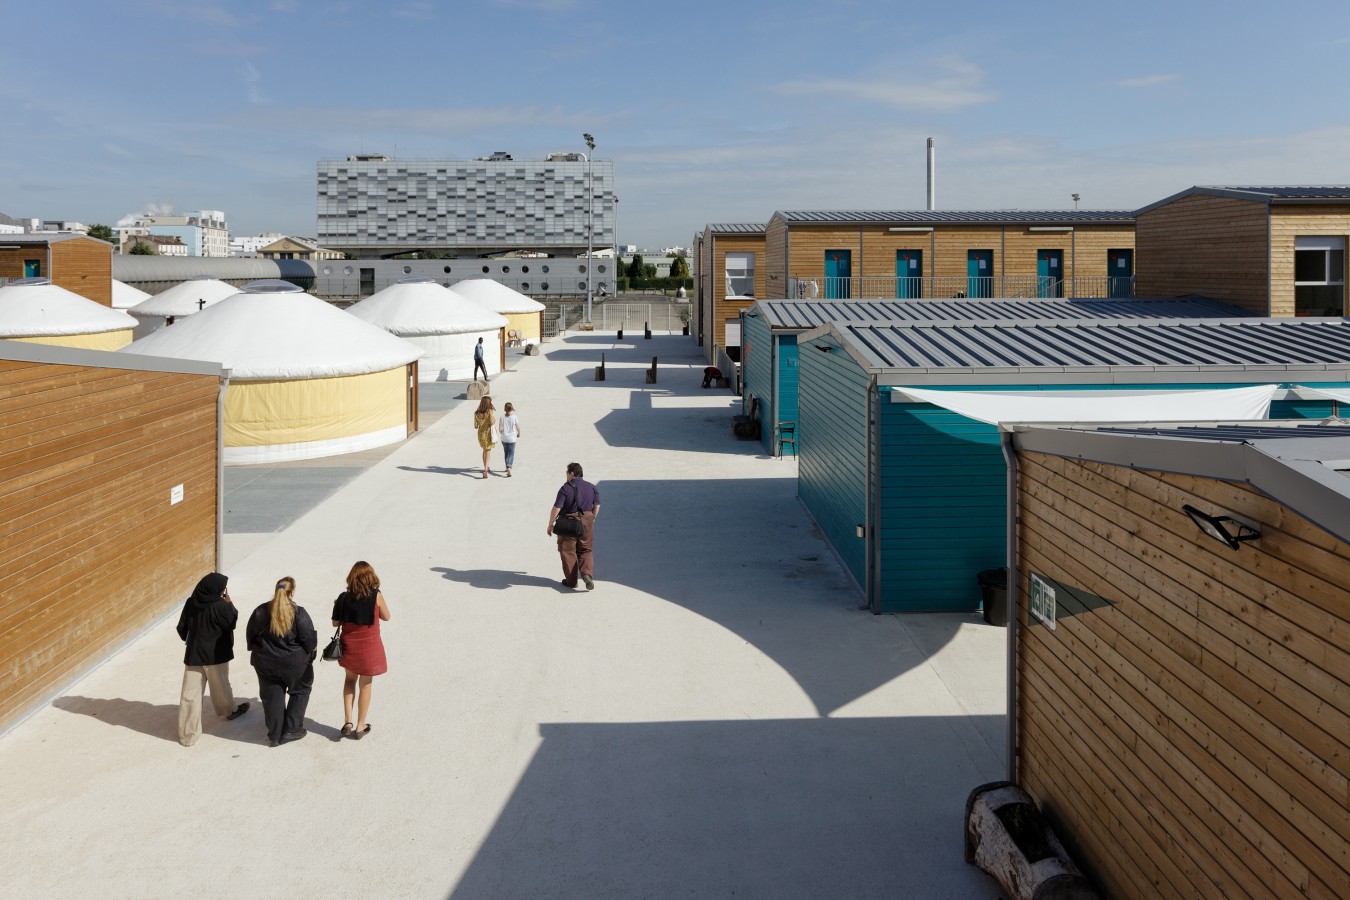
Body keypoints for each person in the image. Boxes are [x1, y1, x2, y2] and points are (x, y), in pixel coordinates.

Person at [175, 572, 248, 746]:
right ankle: (229, 711)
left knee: (190, 695)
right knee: (221, 687)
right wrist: (229, 604)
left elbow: (181, 628)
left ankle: (188, 735)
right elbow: (231, 623)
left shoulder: (191, 603)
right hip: (216, 655)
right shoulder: (221, 606)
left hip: (194, 655)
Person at [245, 577, 317, 747]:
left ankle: (275, 734)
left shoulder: (260, 611)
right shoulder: (299, 613)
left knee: (272, 696)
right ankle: (292, 729)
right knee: (300, 690)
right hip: (295, 664)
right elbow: (309, 641)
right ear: (292, 592)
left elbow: (250, 636)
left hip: (265, 663)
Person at [331, 561, 390, 740]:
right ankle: (360, 725)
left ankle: (348, 721)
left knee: (349, 680)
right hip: (369, 647)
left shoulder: (343, 597)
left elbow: (335, 623)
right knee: (365, 684)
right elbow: (387, 616)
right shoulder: (376, 595)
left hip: (349, 646)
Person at [545, 462, 601, 590]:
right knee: (585, 549)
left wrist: (550, 524)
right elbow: (597, 505)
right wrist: (592, 518)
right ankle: (587, 574)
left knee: (567, 551)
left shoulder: (565, 488)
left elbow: (556, 508)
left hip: (568, 523)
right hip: (586, 520)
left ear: (571, 473)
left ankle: (571, 582)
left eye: (566, 472)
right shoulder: (592, 487)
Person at [474, 394, 496, 478]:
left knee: (484, 450)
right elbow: (492, 422)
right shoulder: (489, 411)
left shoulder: (476, 412)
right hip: (488, 433)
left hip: (480, 434)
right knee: (488, 451)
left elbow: (476, 426)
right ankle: (486, 469)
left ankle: (485, 467)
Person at [499, 402, 520, 477]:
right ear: (511, 409)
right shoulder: (514, 417)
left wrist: (503, 431)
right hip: (512, 438)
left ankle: (507, 466)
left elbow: (500, 429)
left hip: (504, 438)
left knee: (506, 453)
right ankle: (509, 467)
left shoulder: (501, 417)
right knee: (511, 453)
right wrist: (518, 433)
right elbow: (518, 427)